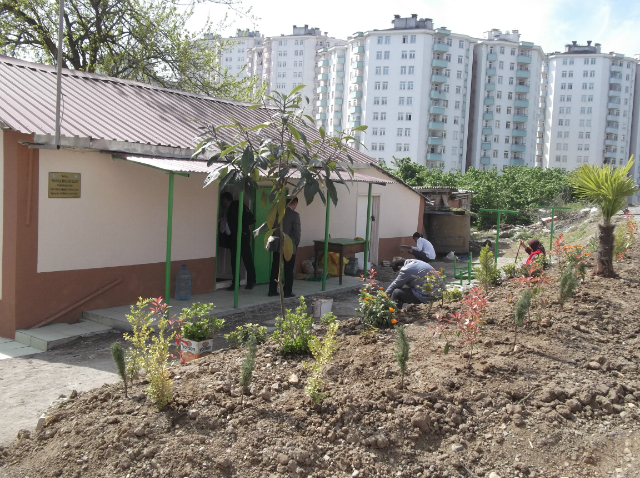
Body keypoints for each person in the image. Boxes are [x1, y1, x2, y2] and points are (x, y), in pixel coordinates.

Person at [219, 192, 256, 290]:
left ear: (225, 200)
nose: (220, 204)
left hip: (242, 237)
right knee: (234, 261)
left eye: (221, 201)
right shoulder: (228, 209)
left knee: (246, 258)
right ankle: (236, 283)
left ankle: (251, 281)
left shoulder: (236, 205)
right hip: (233, 238)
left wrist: (242, 230)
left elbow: (249, 218)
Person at [268, 197, 301, 298]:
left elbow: (273, 227)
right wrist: (295, 244)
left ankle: (272, 290)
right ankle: (287, 292)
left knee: (275, 268)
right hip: (288, 246)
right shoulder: (294, 215)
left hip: (277, 245)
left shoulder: (278, 213)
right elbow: (297, 232)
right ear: (294, 204)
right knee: (288, 269)